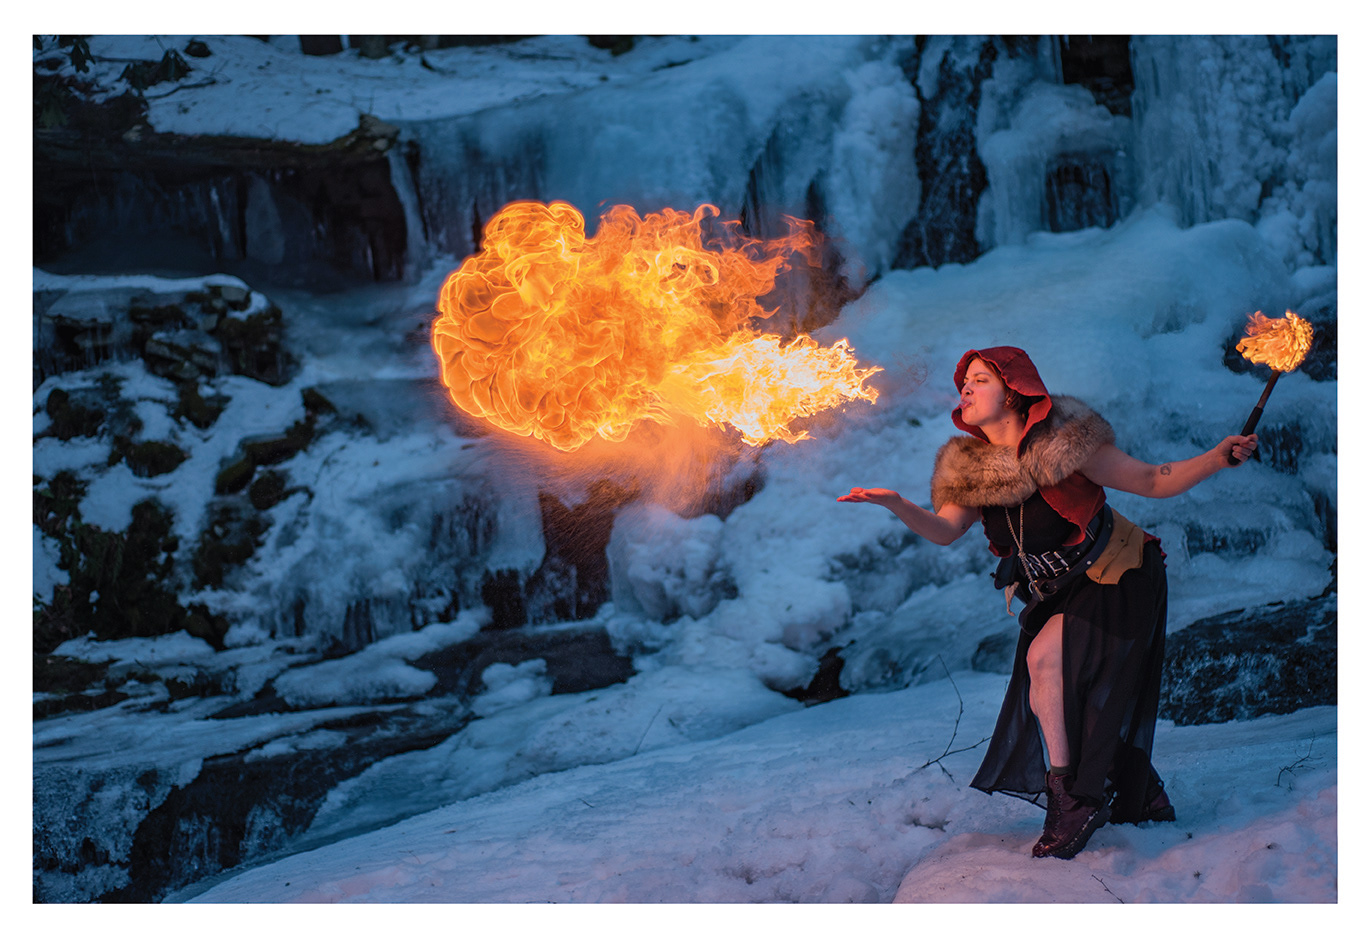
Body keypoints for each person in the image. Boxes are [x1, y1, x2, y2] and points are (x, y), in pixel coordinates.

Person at [838, 347, 1258, 860]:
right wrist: (896, 504)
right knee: (1055, 694)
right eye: (964, 382)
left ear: (1014, 391)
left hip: (1117, 572)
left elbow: (1152, 480)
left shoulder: (1066, 442)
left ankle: (1073, 800)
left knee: (1044, 663)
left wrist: (1217, 456)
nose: (966, 388)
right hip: (1055, 589)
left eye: (980, 379)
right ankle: (1140, 789)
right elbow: (946, 530)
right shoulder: (970, 467)